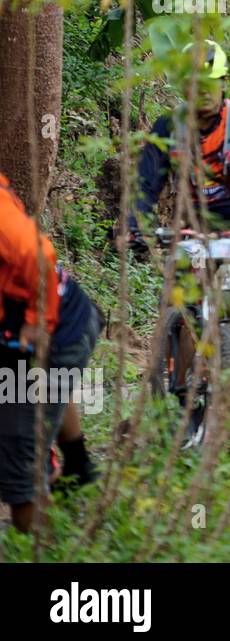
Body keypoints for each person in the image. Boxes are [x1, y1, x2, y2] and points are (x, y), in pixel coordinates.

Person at [130, 40, 230, 322]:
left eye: (212, 82)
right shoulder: (168, 128)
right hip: (195, 228)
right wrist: (134, 226)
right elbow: (145, 184)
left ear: (224, 83)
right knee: (179, 304)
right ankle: (177, 363)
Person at [1, 171, 102, 533]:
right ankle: (77, 470)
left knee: (17, 442)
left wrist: (37, 322)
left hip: (60, 328)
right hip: (22, 333)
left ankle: (37, 542)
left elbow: (40, 254)